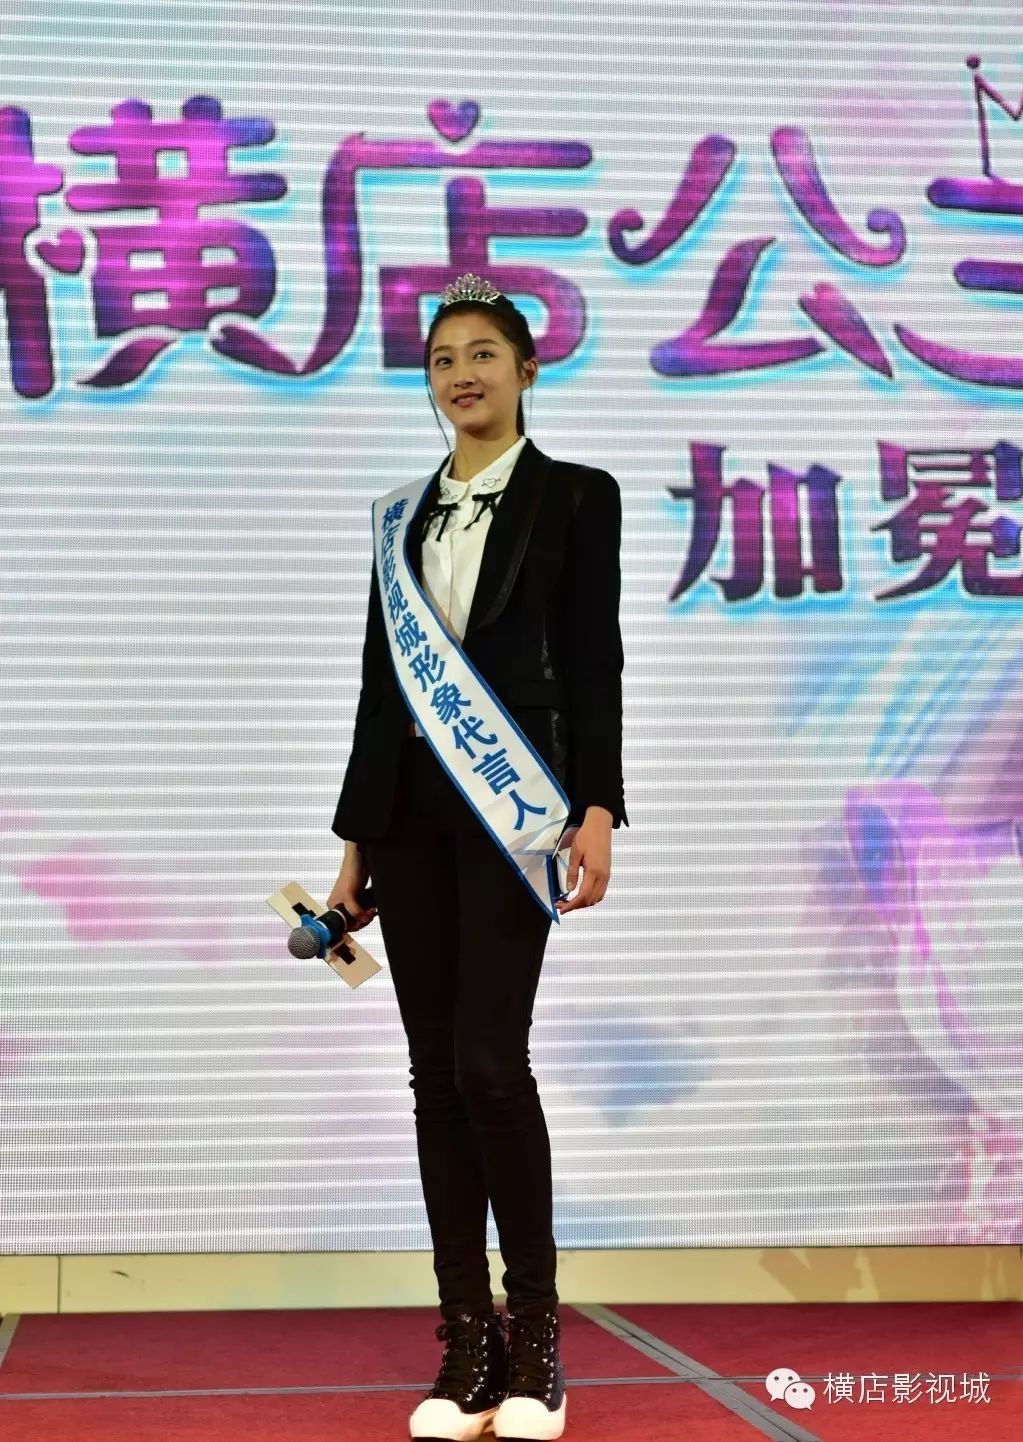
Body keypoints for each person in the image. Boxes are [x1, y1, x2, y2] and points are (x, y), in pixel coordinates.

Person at [327, 272, 628, 1441]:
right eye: (443, 358)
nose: (462, 373)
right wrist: (354, 840)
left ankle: (536, 1337)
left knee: (491, 1062)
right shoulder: (398, 516)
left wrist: (597, 804)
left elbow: (591, 659)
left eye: (483, 354)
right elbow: (379, 685)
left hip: (516, 816)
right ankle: (466, 1341)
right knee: (433, 1072)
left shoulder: (576, 496)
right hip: (406, 818)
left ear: (526, 369)